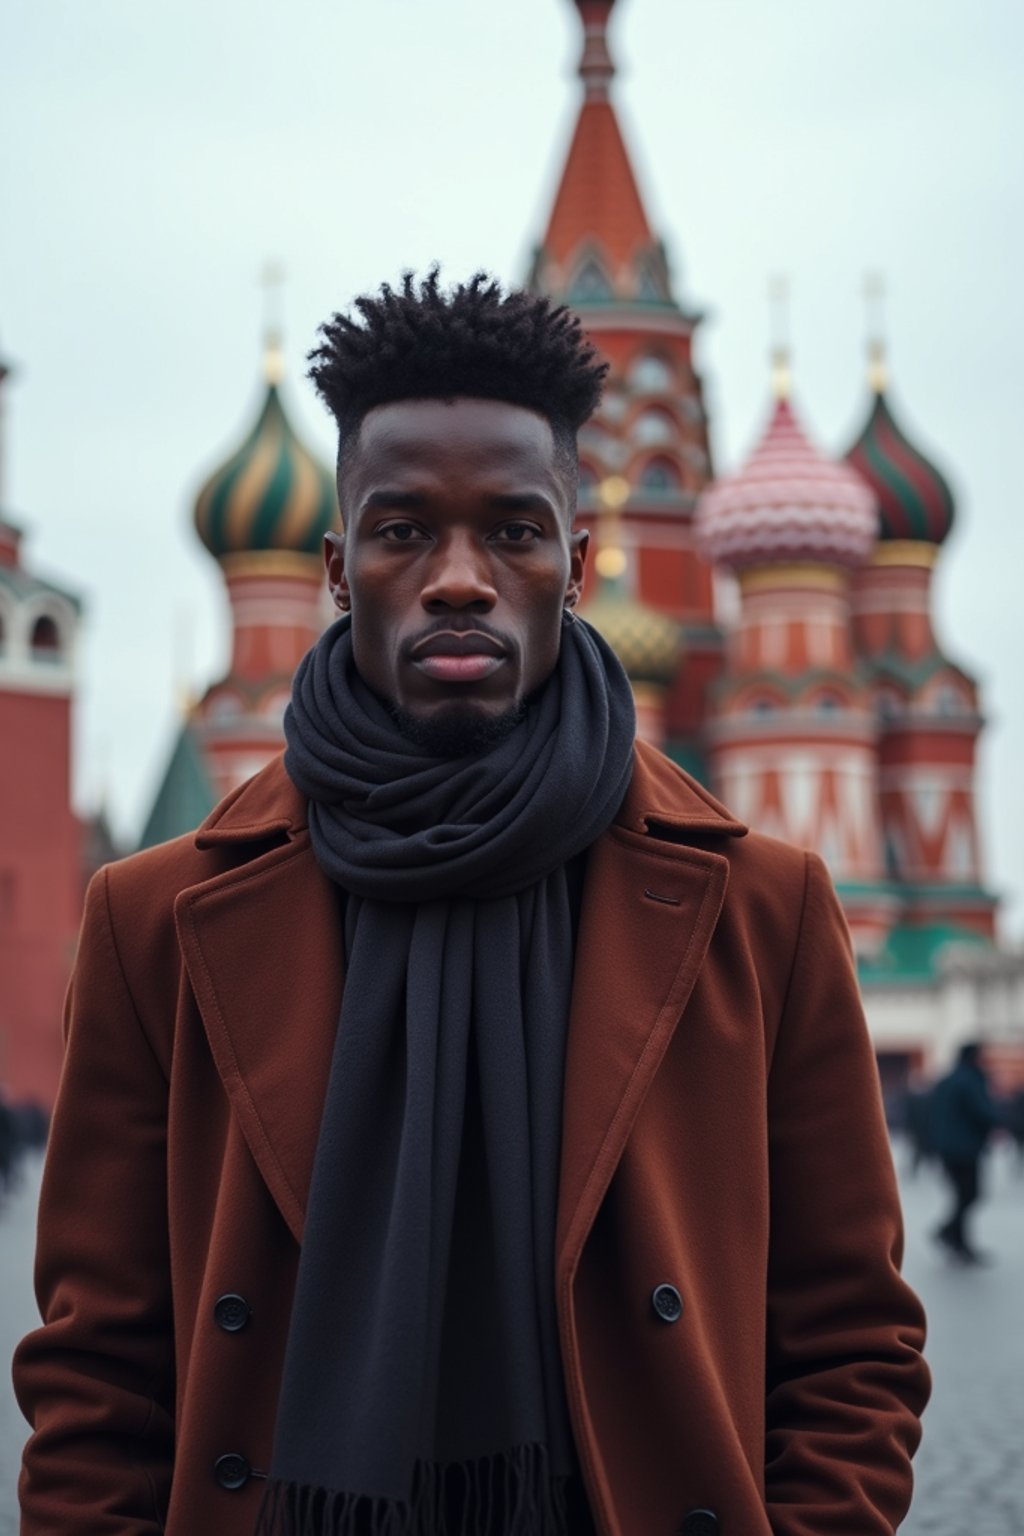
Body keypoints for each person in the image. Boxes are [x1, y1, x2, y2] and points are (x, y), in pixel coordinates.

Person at [14, 272, 929, 1536]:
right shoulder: (157, 920)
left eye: (511, 529)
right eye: (402, 533)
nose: (458, 577)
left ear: (578, 562)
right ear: (336, 567)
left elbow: (850, 1337)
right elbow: (96, 1367)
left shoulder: (756, 909)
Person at [928, 1040, 1002, 1263]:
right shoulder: (970, 1079)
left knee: (963, 1194)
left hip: (948, 1146)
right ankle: (948, 1234)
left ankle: (958, 1242)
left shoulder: (947, 1080)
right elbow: (982, 1111)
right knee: (970, 1194)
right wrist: (998, 1120)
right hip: (965, 1146)